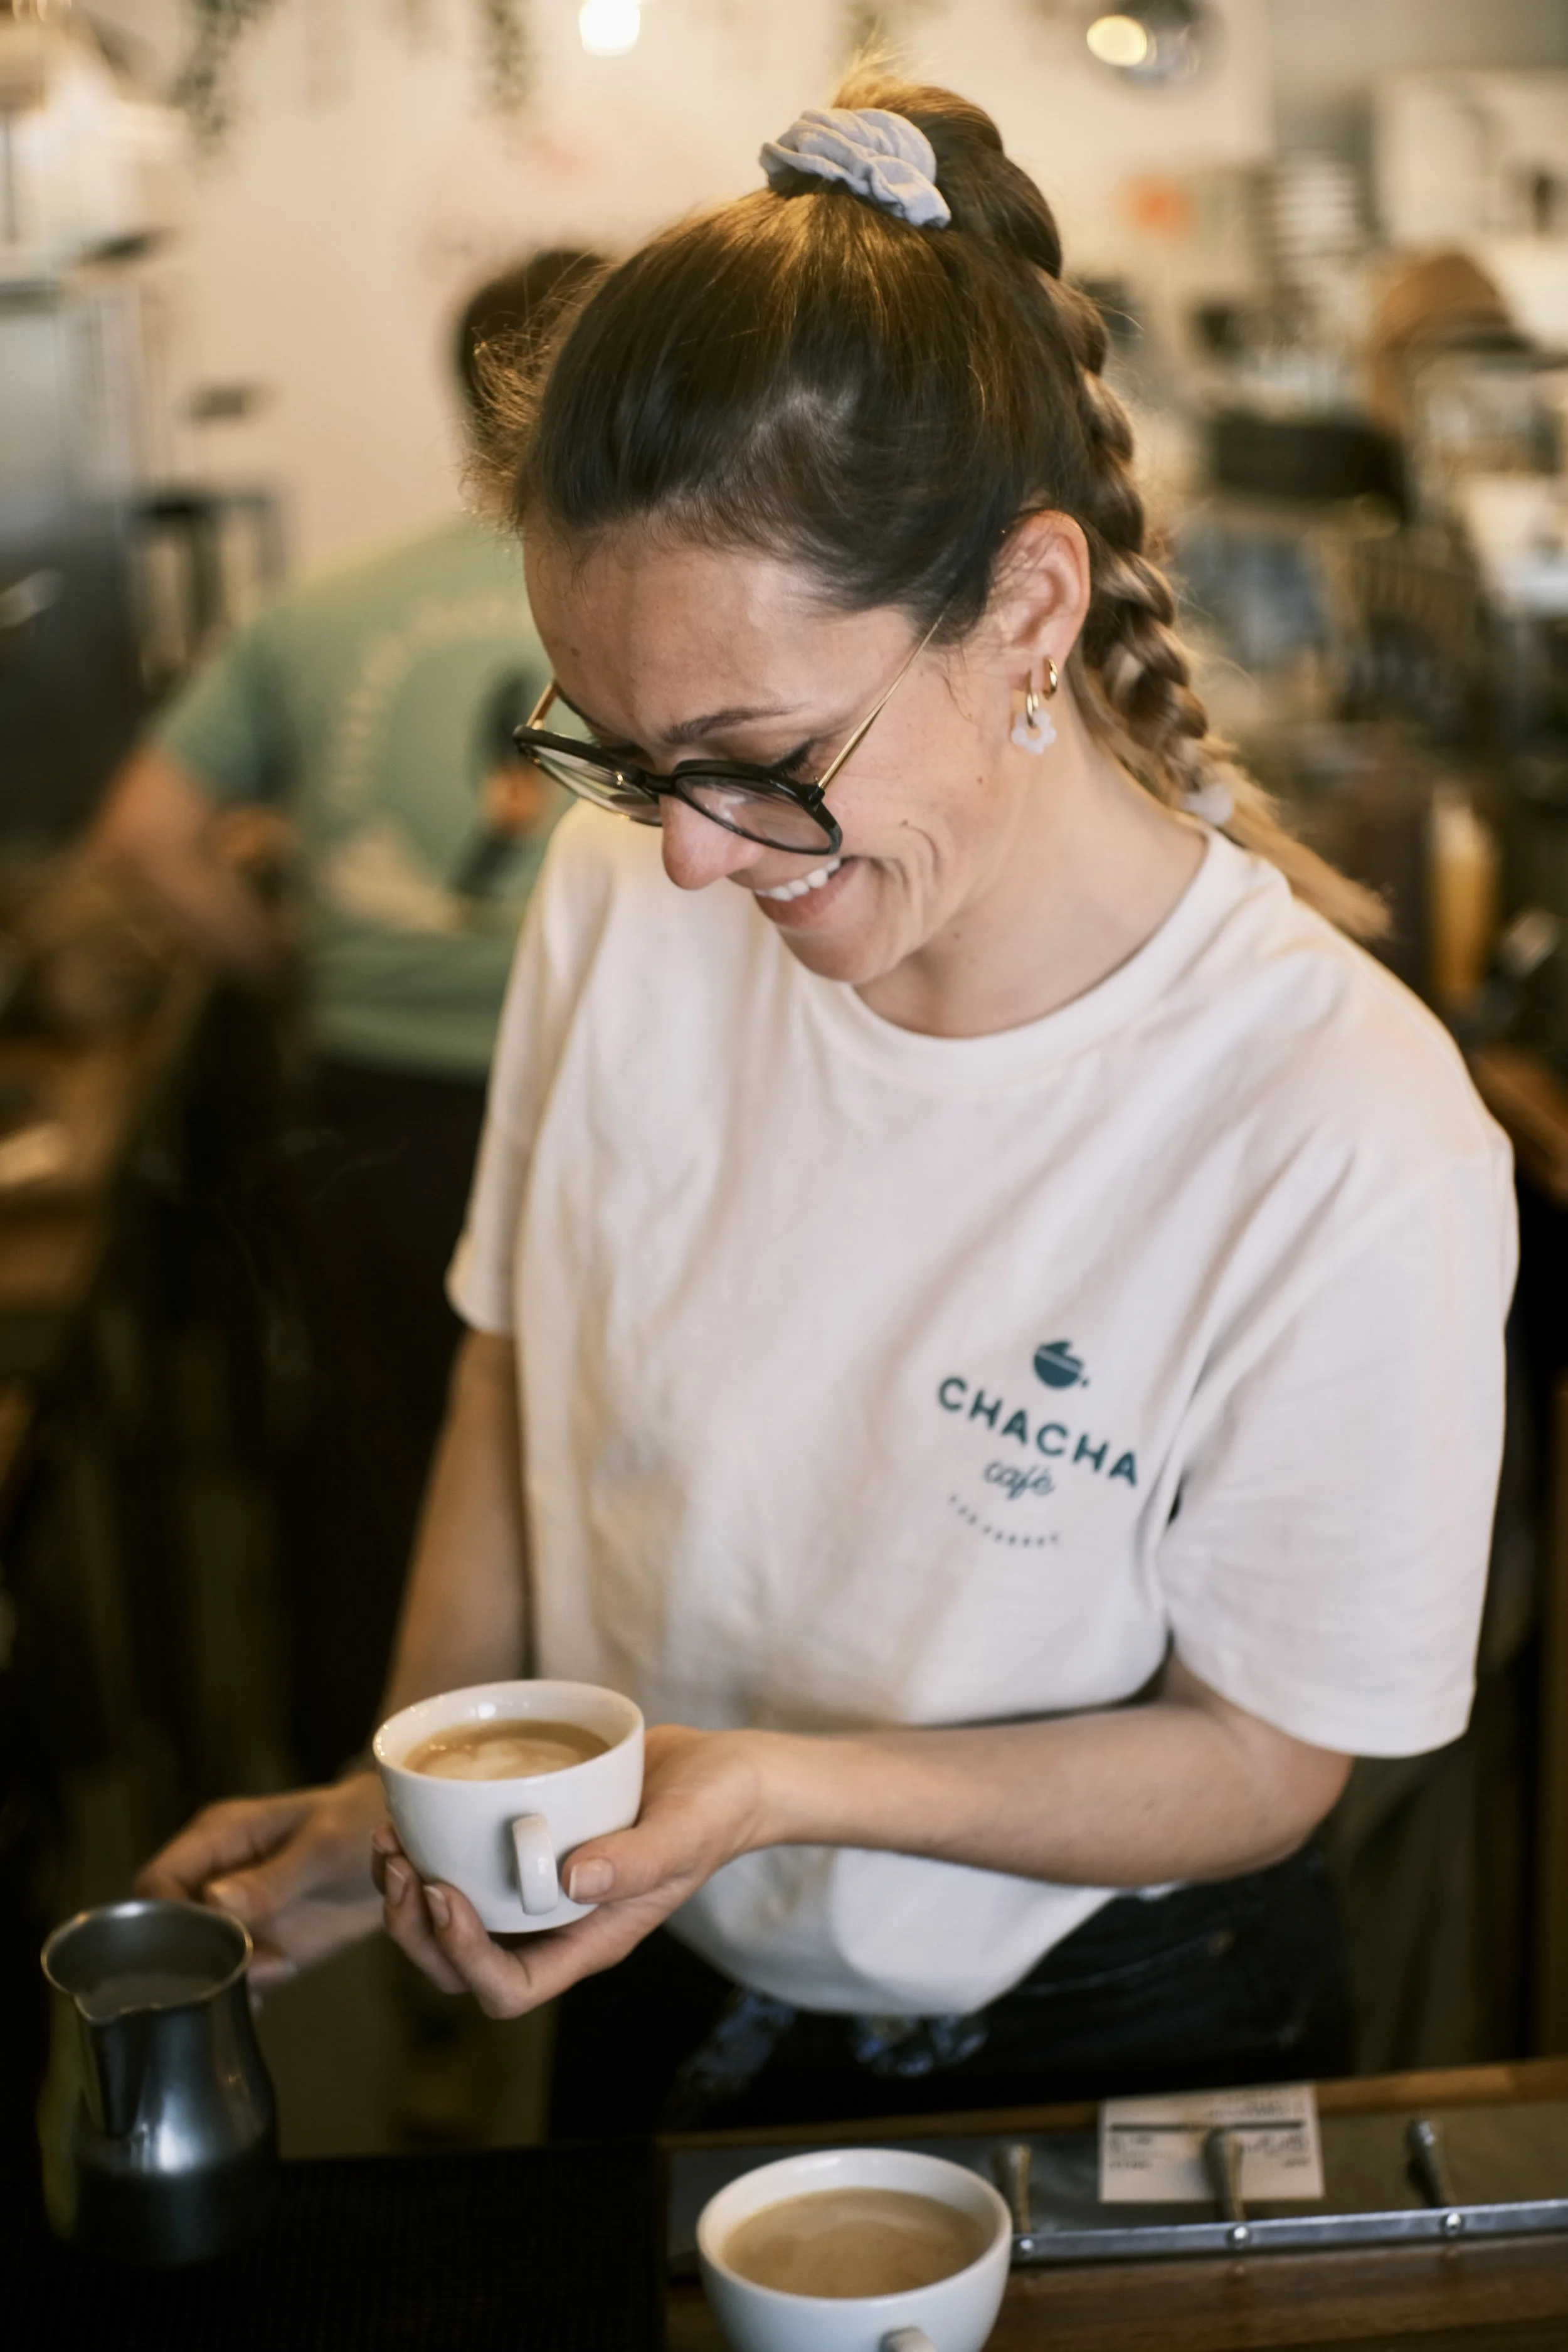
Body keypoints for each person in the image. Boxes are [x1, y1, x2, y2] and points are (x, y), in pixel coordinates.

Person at [139, 81, 1515, 2134]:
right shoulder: (625, 892)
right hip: (659, 1948)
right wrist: (427, 1791)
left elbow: (1260, 1760)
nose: (690, 858)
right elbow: (519, 1380)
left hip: (1122, 2017)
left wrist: (778, 1789)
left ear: (1028, 613)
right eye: (619, 752)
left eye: (756, 755)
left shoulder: (1340, 1122)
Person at [98, 252, 598, 1779]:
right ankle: (592, 1793)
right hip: (596, 1100)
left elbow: (144, 837)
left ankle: (377, 1814)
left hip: (376, 1110)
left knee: (376, 1470)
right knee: (604, 1470)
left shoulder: (324, 608)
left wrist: (289, 964)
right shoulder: (666, 594)